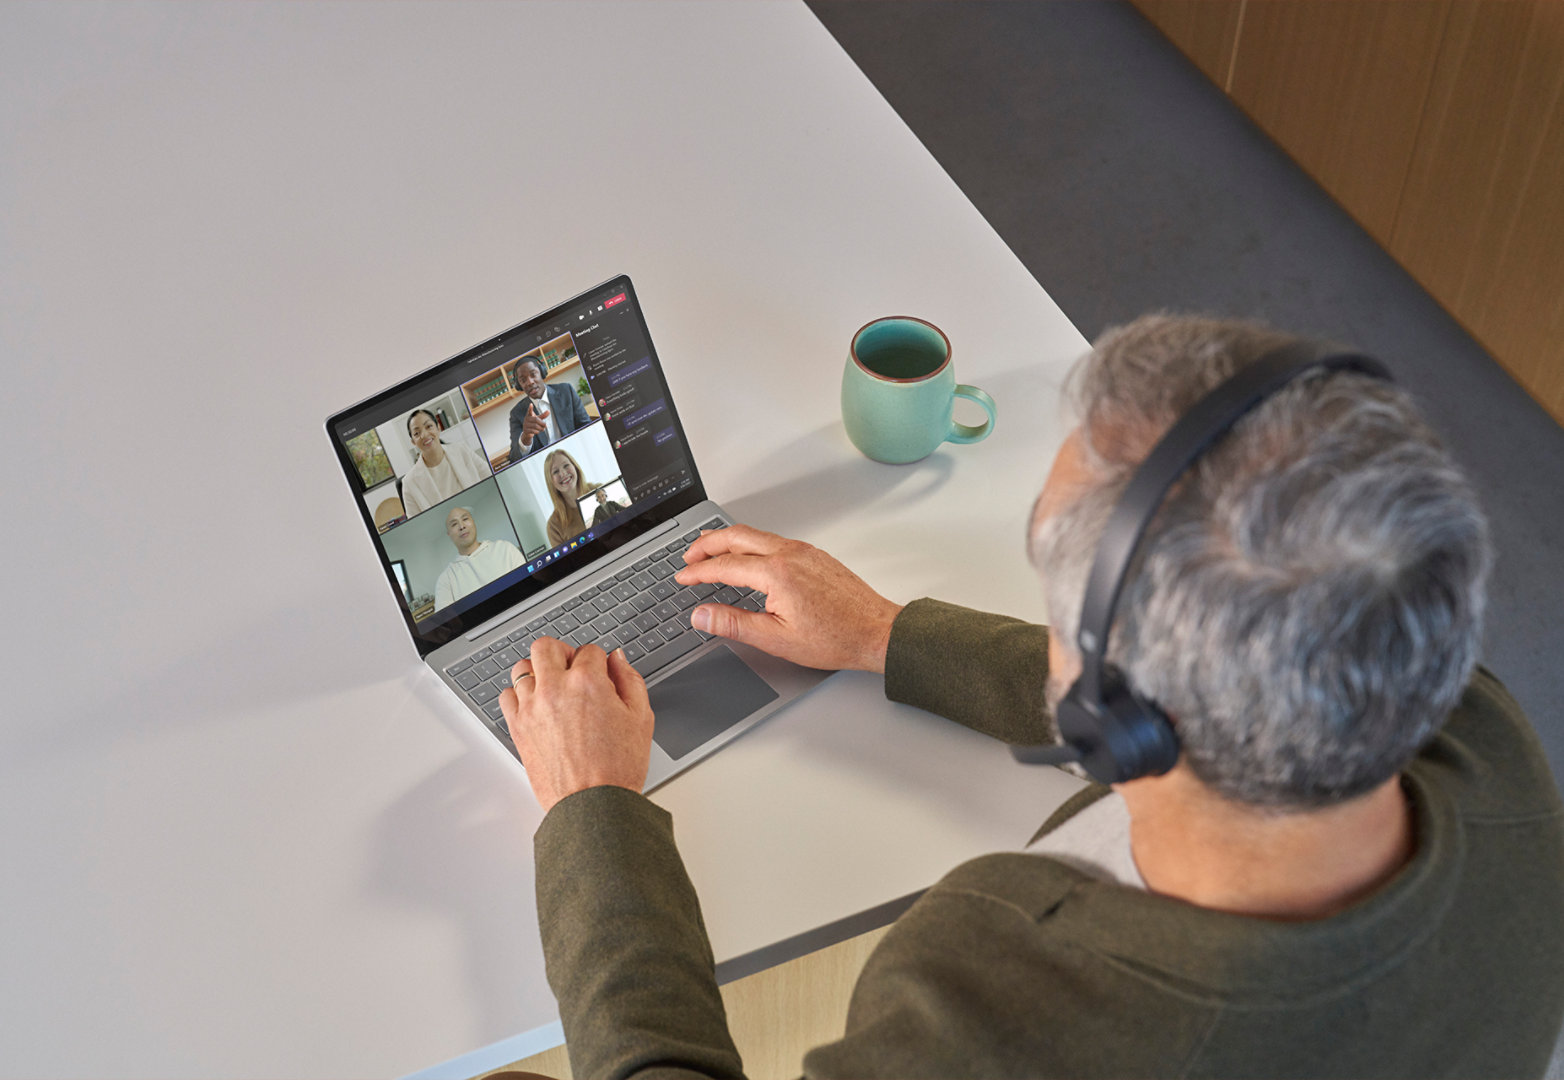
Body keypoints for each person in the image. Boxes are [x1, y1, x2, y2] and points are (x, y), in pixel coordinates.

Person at [496, 315, 1564, 1077]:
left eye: (1057, 603)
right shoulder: (1487, 745)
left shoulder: (993, 1013)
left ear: (1119, 708)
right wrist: (885, 635)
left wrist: (595, 814)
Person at [399, 409, 492, 517]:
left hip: (483, 511)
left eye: (428, 426)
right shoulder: (409, 483)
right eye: (416, 433)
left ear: (438, 428)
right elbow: (415, 523)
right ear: (413, 442)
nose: (424, 434)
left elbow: (490, 478)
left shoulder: (461, 450)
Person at [432, 505, 524, 611]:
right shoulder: (446, 580)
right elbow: (448, 623)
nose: (461, 526)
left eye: (465, 519)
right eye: (454, 524)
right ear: (449, 534)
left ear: (473, 522)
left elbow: (528, 589)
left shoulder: (505, 548)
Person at [508, 357, 590, 461]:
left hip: (577, 452)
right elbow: (514, 458)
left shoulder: (566, 391)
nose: (529, 382)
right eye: (523, 380)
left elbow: (586, 426)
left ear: (542, 372)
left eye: (533, 374)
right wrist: (525, 437)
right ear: (519, 385)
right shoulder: (516, 413)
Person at [542, 448, 628, 547]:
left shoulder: (599, 490)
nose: (563, 473)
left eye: (566, 465)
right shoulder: (553, 526)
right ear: (550, 481)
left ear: (575, 467)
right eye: (555, 471)